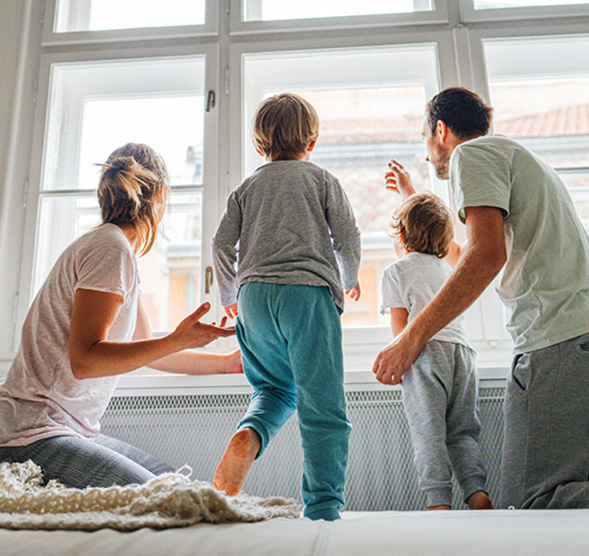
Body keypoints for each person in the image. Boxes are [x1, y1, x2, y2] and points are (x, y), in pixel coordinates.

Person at [374, 87, 589, 510]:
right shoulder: (516, 157)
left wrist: (410, 340)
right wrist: (410, 196)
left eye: (426, 141)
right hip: (575, 336)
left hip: (557, 341)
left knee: (531, 502)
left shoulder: (468, 157)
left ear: (441, 130)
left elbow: (485, 256)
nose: (429, 153)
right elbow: (459, 256)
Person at [0, 143, 240, 489]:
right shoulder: (109, 249)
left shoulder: (114, 250)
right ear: (161, 195)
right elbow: (85, 360)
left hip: (63, 431)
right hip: (29, 435)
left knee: (181, 486)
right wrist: (175, 339)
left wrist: (228, 363)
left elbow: (147, 350)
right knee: (171, 498)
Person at [211, 93, 361, 521]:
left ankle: (249, 433)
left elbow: (221, 244)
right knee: (322, 406)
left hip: (254, 297)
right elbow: (348, 239)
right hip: (307, 294)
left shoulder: (247, 187)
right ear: (312, 140)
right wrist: (347, 282)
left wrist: (229, 296)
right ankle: (323, 505)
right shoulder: (322, 181)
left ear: (260, 145)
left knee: (275, 389)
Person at [381, 191, 492, 510]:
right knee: (462, 434)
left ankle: (438, 502)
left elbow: (402, 332)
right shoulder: (450, 269)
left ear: (401, 235)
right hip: (463, 354)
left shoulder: (396, 271)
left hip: (426, 354)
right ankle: (477, 492)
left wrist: (401, 366)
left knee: (428, 432)